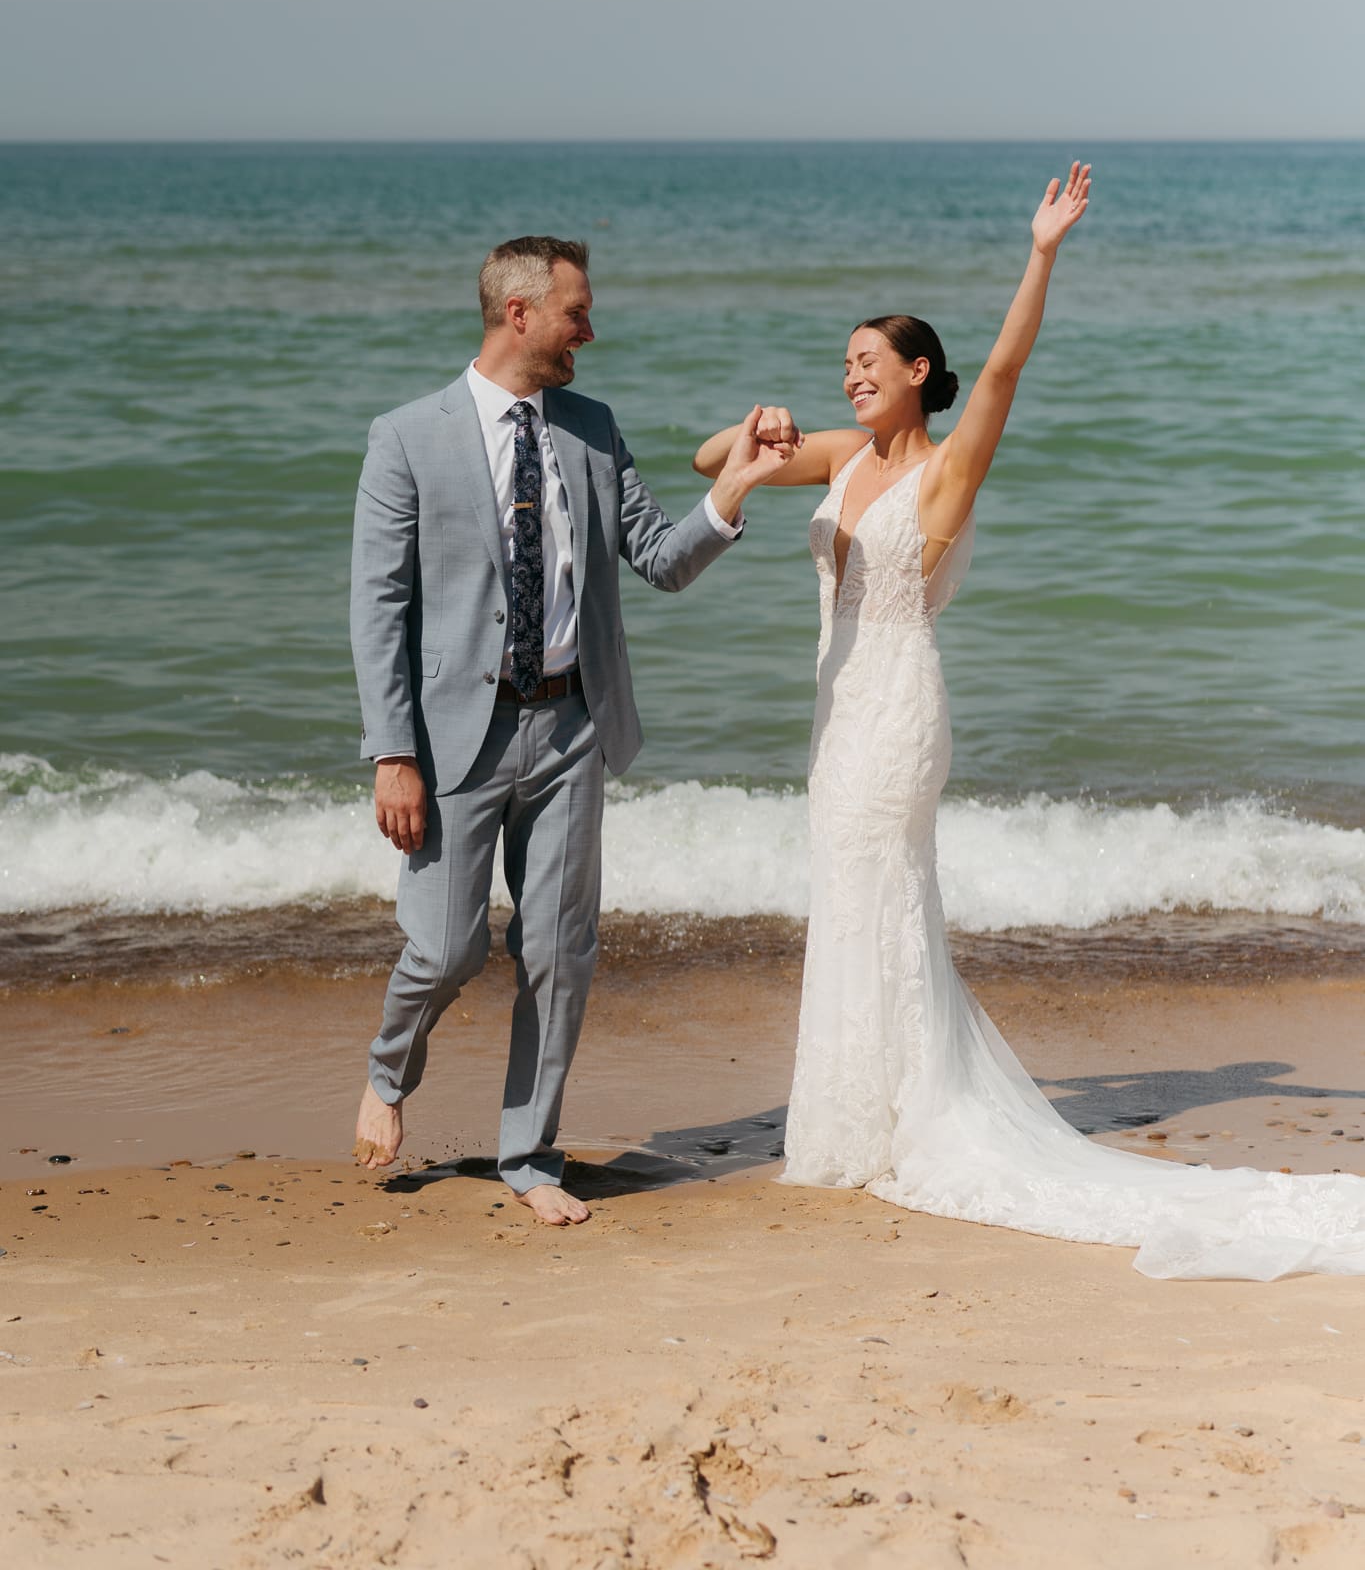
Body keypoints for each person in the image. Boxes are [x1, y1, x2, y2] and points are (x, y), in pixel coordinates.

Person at [695, 165, 1365, 1279]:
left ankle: (887, 1122)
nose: (851, 375)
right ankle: (860, 1116)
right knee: (850, 895)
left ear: (918, 375)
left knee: (883, 893)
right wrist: (754, 424)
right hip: (835, 710)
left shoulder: (947, 474)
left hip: (899, 707)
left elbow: (1003, 367)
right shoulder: (840, 455)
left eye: (871, 361)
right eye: (843, 364)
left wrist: (1041, 249)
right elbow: (712, 463)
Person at [351, 236, 789, 1224]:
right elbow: (378, 607)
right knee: (446, 947)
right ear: (519, 314)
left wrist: (739, 484)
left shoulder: (591, 429)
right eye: (576, 313)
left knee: (560, 948)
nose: (589, 329)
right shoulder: (408, 437)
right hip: (454, 737)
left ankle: (529, 1152)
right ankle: (389, 1073)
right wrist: (393, 754)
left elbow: (662, 558)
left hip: (571, 728)